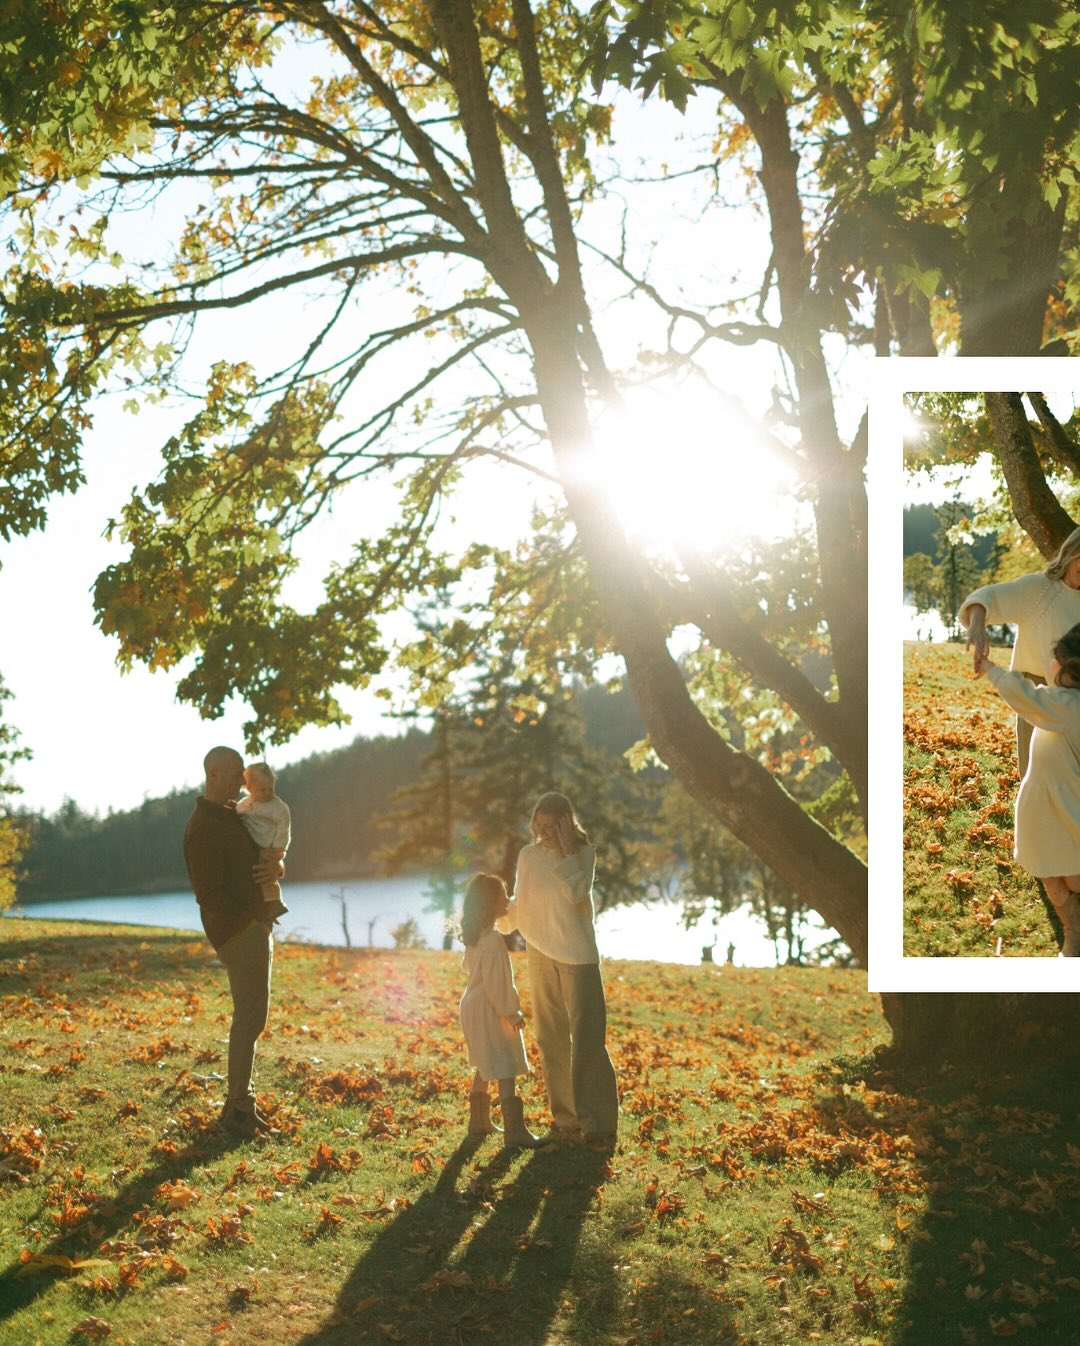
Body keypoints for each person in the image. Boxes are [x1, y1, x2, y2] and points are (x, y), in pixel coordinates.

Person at [498, 792, 619, 1147]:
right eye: (540, 825)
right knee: (550, 1040)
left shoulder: (583, 854)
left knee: (587, 1042)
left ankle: (598, 1125)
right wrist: (497, 918)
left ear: (567, 823)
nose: (545, 832)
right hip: (539, 952)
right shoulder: (528, 856)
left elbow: (577, 894)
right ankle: (565, 1121)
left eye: (553, 826)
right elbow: (524, 903)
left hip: (577, 956)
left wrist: (567, 852)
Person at [182, 746, 283, 1138]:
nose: (244, 782)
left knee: (253, 1017)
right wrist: (251, 920)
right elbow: (209, 894)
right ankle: (238, 1109)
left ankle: (241, 1105)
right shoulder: (203, 826)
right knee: (249, 1018)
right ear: (214, 774)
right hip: (239, 932)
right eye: (236, 774)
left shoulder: (232, 815)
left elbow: (265, 853)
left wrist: (276, 865)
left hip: (254, 925)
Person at [976, 624, 1080, 956]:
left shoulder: (1062, 704)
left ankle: (1073, 927)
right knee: (1053, 875)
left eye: (1054, 660)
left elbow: (1023, 696)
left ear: (1066, 668)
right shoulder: (1063, 703)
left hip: (1062, 806)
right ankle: (1072, 929)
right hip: (1049, 808)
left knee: (1066, 878)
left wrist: (990, 668)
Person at [960, 526, 1080, 776]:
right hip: (1036, 696)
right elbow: (989, 597)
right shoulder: (1040, 589)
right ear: (1071, 551)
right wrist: (978, 624)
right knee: (1036, 781)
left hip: (1075, 705)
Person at [459, 872, 539, 1149]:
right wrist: (511, 1012)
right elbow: (498, 985)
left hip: (471, 1004)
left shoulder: (475, 936)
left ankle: (478, 1122)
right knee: (505, 1064)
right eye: (503, 897)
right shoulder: (492, 940)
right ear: (491, 904)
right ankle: (515, 1132)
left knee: (485, 1061)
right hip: (489, 1007)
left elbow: (469, 969)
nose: (508, 901)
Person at [236, 762, 291, 921]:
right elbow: (237, 814)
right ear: (249, 788)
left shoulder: (278, 807)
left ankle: (275, 902)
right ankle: (264, 904)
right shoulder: (245, 803)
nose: (268, 793)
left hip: (269, 845)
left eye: (270, 789)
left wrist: (279, 849)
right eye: (262, 790)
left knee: (267, 875)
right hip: (254, 843)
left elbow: (283, 828)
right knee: (257, 875)